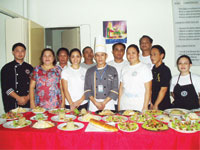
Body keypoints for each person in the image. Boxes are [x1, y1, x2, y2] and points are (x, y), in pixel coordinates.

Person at [84, 37, 118, 112]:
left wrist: (104, 103)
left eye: (102, 55)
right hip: (94, 103)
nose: (100, 58)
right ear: (94, 57)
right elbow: (87, 89)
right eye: (97, 55)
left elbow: (115, 89)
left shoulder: (112, 70)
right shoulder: (90, 71)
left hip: (108, 103)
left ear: (106, 56)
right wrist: (95, 103)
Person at [118, 44, 152, 112]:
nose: (131, 55)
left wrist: (145, 107)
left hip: (139, 106)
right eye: (128, 53)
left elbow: (148, 90)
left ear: (138, 54)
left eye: (133, 53)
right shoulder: (124, 68)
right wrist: (119, 106)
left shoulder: (144, 68)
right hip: (124, 105)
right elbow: (121, 89)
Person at [1, 43, 33, 112]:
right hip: (12, 102)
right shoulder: (6, 68)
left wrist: (27, 98)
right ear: (13, 52)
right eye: (17, 51)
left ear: (25, 52)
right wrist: (18, 98)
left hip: (27, 102)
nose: (20, 53)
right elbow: (6, 87)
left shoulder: (30, 67)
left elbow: (33, 86)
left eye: (22, 51)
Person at [108, 42, 129, 110]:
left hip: (125, 100)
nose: (119, 52)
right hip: (110, 101)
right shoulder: (108, 65)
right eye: (117, 50)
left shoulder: (129, 65)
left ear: (124, 52)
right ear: (112, 51)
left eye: (121, 50)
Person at [150, 45, 172, 110]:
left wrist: (156, 104)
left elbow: (163, 90)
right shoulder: (153, 70)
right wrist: (151, 102)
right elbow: (151, 88)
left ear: (161, 55)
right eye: (151, 55)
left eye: (154, 54)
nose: (152, 57)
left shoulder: (165, 70)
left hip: (163, 105)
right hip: (153, 103)